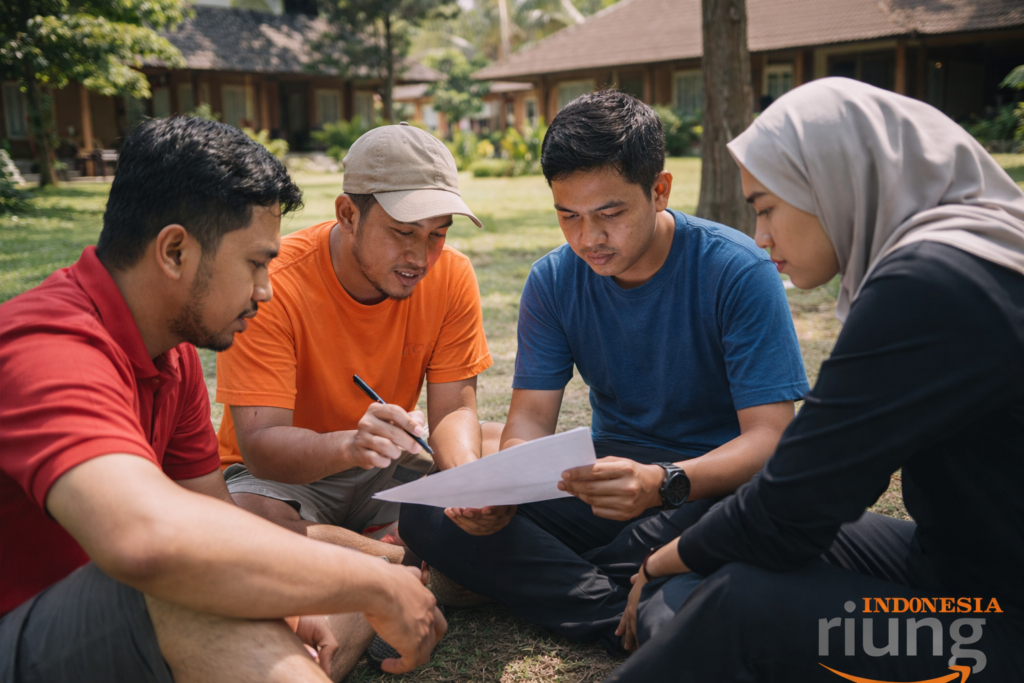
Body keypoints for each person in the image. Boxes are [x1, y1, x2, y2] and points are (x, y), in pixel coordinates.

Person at [0, 117, 445, 683]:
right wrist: (368, 580)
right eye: (257, 263)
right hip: (23, 631)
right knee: (184, 589)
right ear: (175, 251)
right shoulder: (47, 347)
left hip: (100, 631)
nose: (266, 288)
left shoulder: (173, 354)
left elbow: (215, 516)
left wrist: (296, 598)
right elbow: (146, 541)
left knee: (253, 596)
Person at [608, 78, 1024, 682]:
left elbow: (791, 509)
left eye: (767, 207)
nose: (762, 237)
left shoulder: (937, 282)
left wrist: (655, 565)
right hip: (960, 568)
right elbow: (805, 493)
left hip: (997, 626)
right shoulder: (975, 250)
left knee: (736, 605)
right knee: (716, 537)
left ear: (834, 180)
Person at [400, 90, 810, 652]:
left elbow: (770, 438)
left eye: (609, 214)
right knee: (429, 519)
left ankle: (607, 593)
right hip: (606, 485)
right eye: (568, 216)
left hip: (706, 487)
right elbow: (530, 421)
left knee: (743, 515)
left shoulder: (736, 269)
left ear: (659, 190)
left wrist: (665, 483)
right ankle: (638, 609)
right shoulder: (552, 281)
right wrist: (503, 493)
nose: (588, 238)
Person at [214, 122, 499, 568]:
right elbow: (261, 445)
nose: (421, 257)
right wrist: (350, 445)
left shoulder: (452, 275)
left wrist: (467, 487)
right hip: (282, 481)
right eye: (404, 232)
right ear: (348, 214)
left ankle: (363, 552)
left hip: (390, 463)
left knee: (510, 453)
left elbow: (455, 413)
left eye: (437, 234)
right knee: (245, 524)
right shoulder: (272, 283)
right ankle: (396, 555)